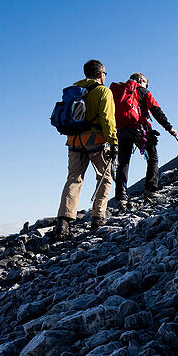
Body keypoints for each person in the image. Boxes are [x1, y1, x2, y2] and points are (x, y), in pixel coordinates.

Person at [53, 60, 118, 238]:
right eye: (105, 72)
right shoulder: (103, 91)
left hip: (74, 141)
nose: (105, 76)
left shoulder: (75, 91)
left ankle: (63, 222)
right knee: (104, 178)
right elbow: (107, 119)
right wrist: (114, 142)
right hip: (96, 141)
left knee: (74, 178)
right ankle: (98, 218)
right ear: (99, 74)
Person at [111, 72, 176, 208]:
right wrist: (169, 127)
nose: (147, 85)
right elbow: (156, 110)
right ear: (141, 80)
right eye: (146, 82)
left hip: (121, 130)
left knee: (123, 162)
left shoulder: (118, 91)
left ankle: (121, 197)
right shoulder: (143, 91)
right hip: (140, 128)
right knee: (152, 158)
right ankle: (151, 190)